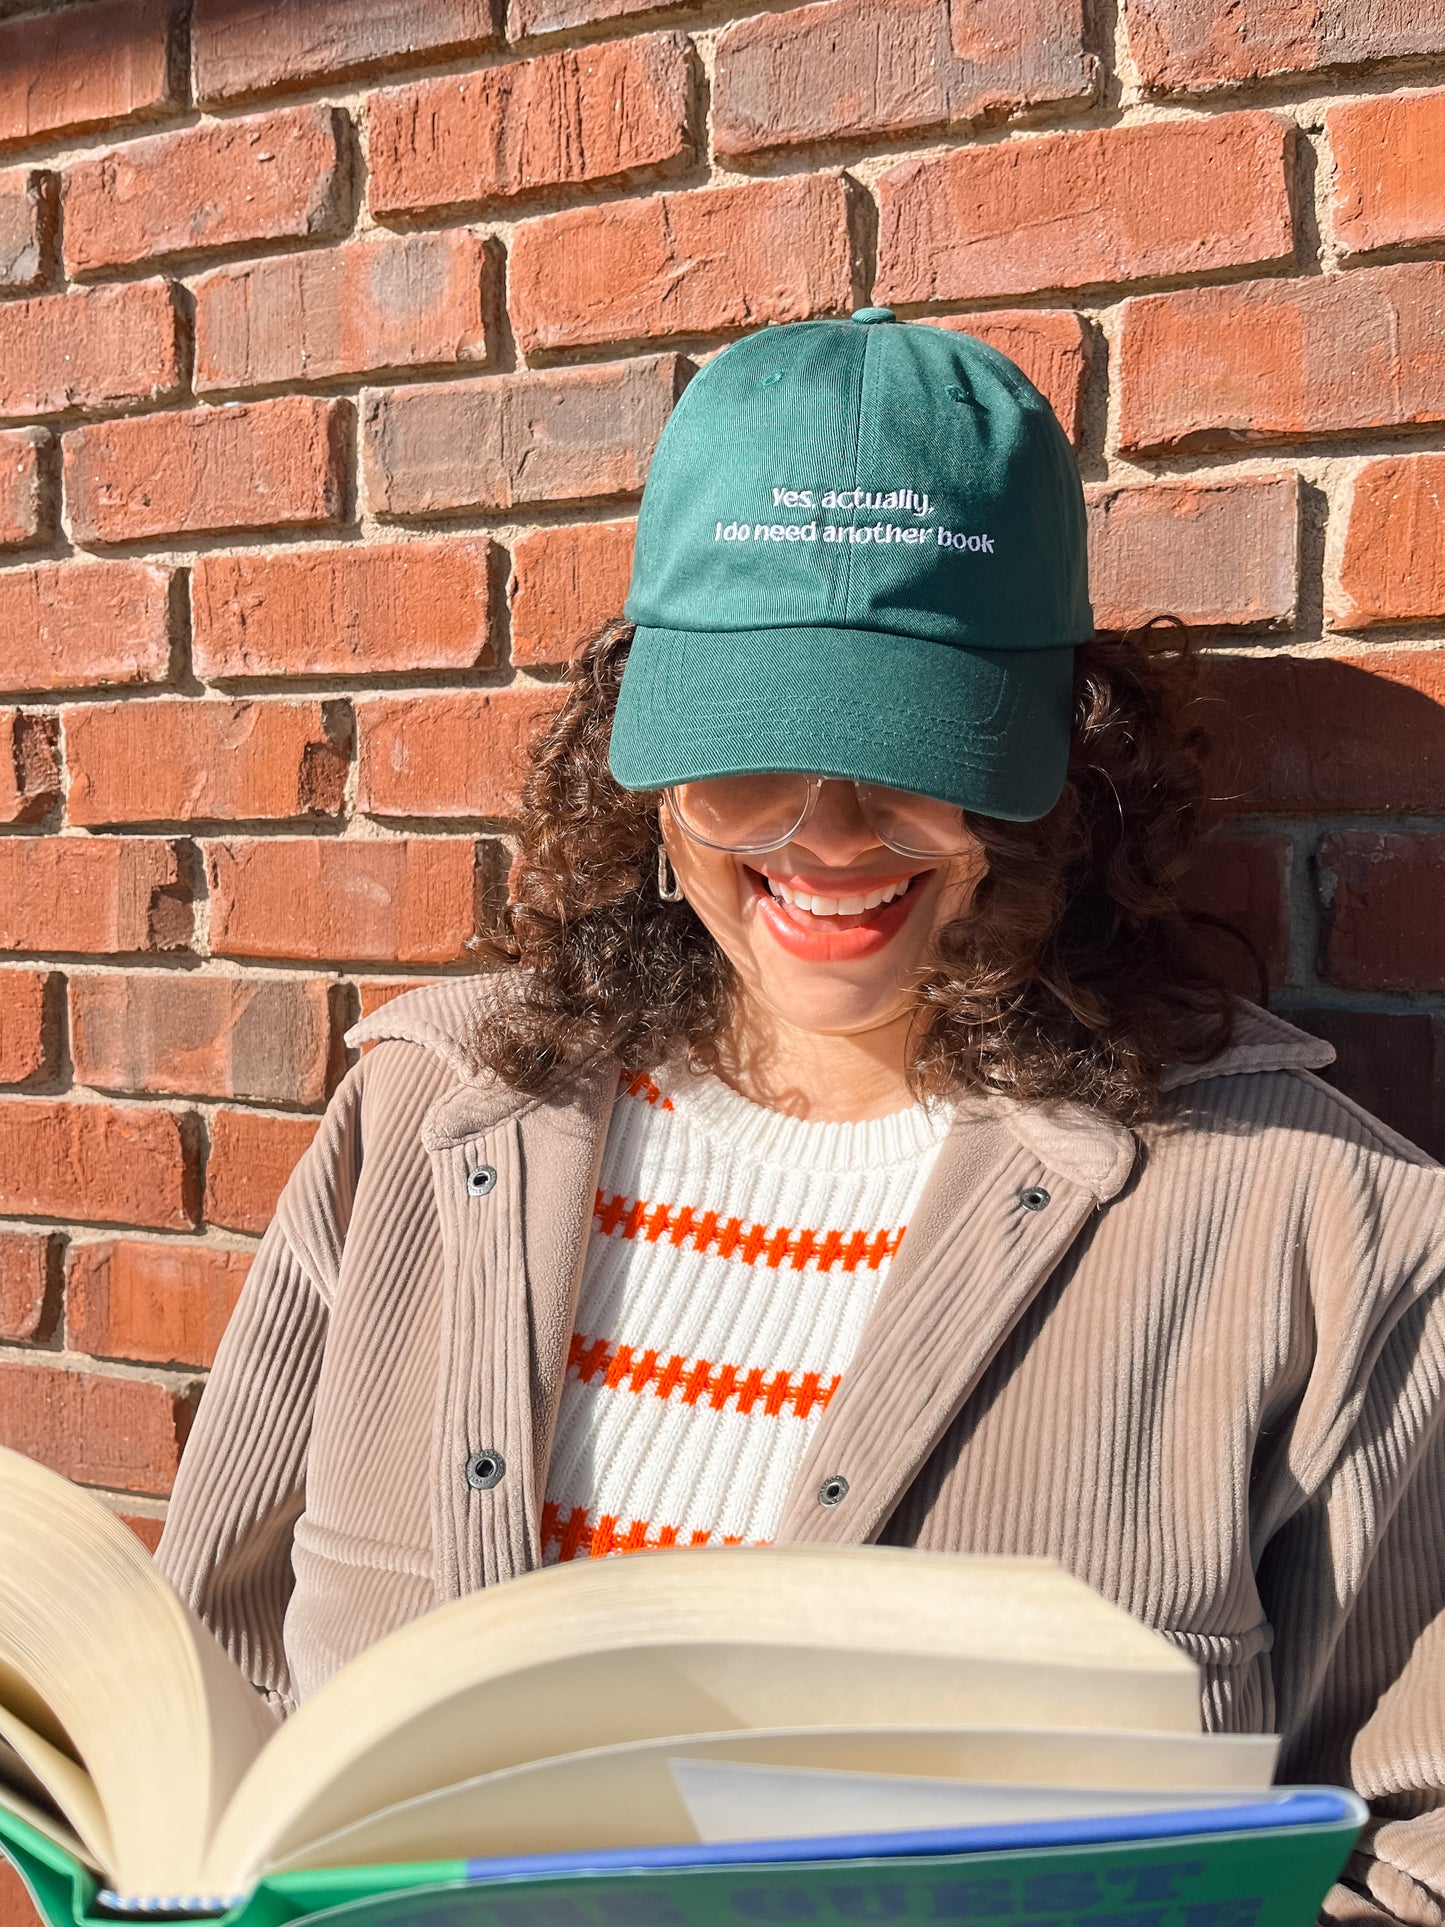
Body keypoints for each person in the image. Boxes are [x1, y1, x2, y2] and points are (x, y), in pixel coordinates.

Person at [156, 309, 1445, 1925]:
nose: (825, 835)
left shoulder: (1328, 1232)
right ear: (636, 758)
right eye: (745, 755)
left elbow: (1409, 1853)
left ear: (1065, 755)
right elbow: (204, 1685)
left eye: (913, 755)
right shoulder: (430, 1112)